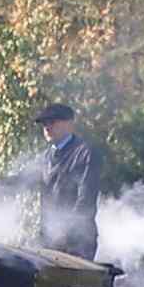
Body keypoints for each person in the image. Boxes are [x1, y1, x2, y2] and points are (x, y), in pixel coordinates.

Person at [29, 104, 103, 259]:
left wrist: (67, 231)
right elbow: (21, 181)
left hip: (78, 242)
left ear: (69, 124)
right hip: (50, 239)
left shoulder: (85, 153)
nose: (47, 127)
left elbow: (86, 201)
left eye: (52, 122)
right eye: (44, 123)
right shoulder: (45, 158)